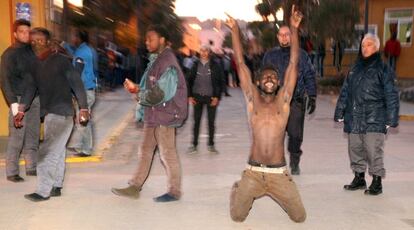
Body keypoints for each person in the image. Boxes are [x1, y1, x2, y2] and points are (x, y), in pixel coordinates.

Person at [226, 6, 306, 223]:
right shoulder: (253, 100)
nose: (269, 79)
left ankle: (278, 191)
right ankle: (239, 188)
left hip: (278, 173)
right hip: (253, 172)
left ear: (279, 82)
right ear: (258, 82)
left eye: (273, 77)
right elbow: (241, 64)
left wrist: (295, 30)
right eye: (265, 77)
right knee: (237, 217)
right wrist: (234, 31)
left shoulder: (284, 101)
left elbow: (292, 63)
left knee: (300, 217)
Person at [111, 25, 188, 203]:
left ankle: (174, 191)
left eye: (150, 39)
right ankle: (134, 187)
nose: (147, 42)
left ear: (162, 40)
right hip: (154, 114)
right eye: (146, 39)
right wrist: (137, 88)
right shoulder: (156, 59)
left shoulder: (167, 62)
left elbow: (160, 93)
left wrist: (137, 93)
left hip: (166, 115)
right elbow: (151, 88)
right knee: (145, 151)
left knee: (167, 154)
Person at [14, 27, 89, 201]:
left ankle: (43, 191)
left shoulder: (60, 61)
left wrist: (83, 108)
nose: (36, 43)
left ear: (48, 41)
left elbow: (77, 84)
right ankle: (56, 186)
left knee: (46, 153)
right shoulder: (34, 64)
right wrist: (21, 109)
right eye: (33, 41)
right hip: (48, 114)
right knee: (57, 151)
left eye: (40, 40)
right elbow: (30, 88)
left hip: (62, 114)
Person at [334, 33, 399, 196]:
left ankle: (377, 182)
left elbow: (391, 94)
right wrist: (339, 111)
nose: (365, 48)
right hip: (355, 117)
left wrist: (391, 118)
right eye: (363, 45)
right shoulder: (354, 69)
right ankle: (359, 178)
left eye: (369, 44)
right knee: (354, 148)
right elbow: (345, 92)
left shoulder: (383, 69)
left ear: (376, 47)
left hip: (375, 117)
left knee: (373, 150)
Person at [262, 19, 317, 175]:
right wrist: (264, 97)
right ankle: (275, 162)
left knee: (295, 135)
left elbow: (309, 76)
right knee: (274, 134)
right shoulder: (270, 55)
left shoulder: (302, 55)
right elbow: (263, 76)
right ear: (278, 37)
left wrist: (312, 96)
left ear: (292, 36)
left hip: (295, 102)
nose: (284, 37)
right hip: (275, 102)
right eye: (281, 35)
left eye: (288, 34)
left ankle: (294, 163)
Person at [0, 19, 40, 182]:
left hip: (35, 99)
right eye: (22, 31)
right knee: (17, 137)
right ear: (15, 34)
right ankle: (12, 172)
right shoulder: (9, 54)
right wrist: (13, 105)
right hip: (18, 99)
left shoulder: (33, 51)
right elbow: (4, 80)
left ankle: (31, 167)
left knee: (33, 135)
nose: (25, 34)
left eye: (28, 31)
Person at [186, 44, 224, 154]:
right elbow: (188, 80)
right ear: (199, 52)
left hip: (211, 98)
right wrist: (190, 96)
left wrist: (217, 97)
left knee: (211, 122)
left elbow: (220, 82)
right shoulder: (194, 65)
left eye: (206, 51)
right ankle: (194, 145)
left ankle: (211, 145)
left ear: (209, 52)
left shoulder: (215, 66)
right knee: (196, 122)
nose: (203, 53)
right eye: (201, 50)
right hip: (197, 97)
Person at [66, 30, 97, 157]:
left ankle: (83, 147)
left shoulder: (81, 52)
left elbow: (77, 72)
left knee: (83, 119)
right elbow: (74, 55)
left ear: (79, 38)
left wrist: (72, 88)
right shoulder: (85, 50)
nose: (72, 38)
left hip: (84, 90)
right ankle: (83, 147)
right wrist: (65, 47)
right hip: (88, 88)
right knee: (85, 119)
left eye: (74, 36)